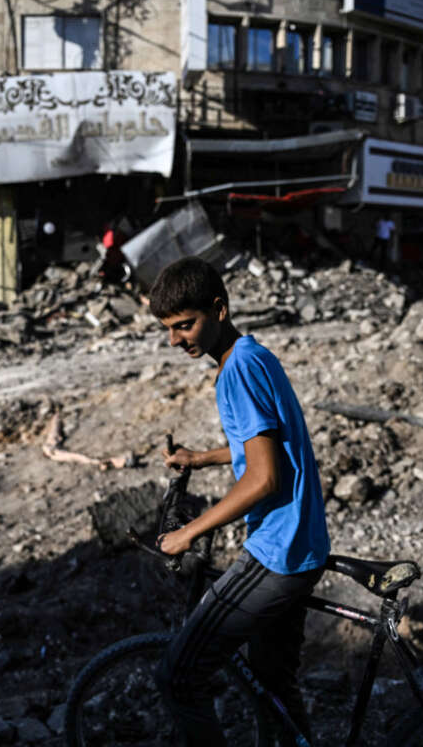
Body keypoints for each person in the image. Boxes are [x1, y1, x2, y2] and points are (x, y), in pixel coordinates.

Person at [148, 257, 331, 746]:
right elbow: (270, 441)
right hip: (303, 544)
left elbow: (265, 477)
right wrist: (202, 458)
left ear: (219, 309)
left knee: (177, 677)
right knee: (273, 688)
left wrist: (189, 531)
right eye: (168, 329)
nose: (176, 340)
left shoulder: (235, 374)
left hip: (277, 551)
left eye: (185, 325)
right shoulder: (254, 355)